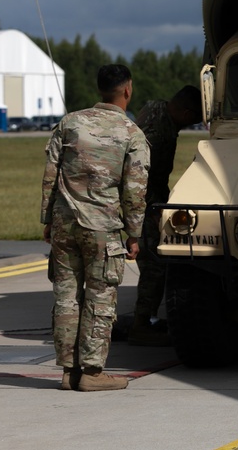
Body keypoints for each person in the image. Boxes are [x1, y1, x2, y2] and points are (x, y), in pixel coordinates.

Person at [41, 64, 149, 391]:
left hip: (64, 222)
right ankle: (91, 372)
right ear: (127, 90)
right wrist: (135, 234)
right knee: (100, 297)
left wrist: (48, 218)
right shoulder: (132, 134)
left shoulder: (70, 122)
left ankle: (67, 370)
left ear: (100, 88)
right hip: (102, 227)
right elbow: (135, 190)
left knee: (66, 296)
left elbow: (50, 173)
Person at [128, 85, 203, 346]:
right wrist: (151, 211)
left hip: (145, 199)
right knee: (155, 265)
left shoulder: (155, 106)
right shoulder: (160, 137)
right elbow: (143, 176)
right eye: (195, 118)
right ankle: (141, 323)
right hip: (145, 201)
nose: (194, 123)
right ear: (185, 112)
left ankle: (146, 319)